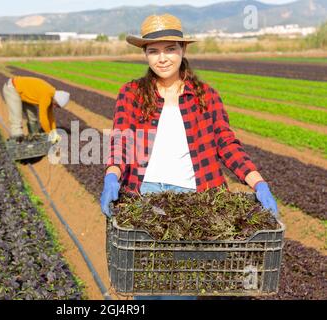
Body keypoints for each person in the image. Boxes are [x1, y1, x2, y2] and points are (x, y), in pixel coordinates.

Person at [100, 14, 279, 299]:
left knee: (180, 290)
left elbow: (226, 143)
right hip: (144, 198)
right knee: (144, 287)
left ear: (183, 50)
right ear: (145, 54)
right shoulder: (131, 93)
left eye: (170, 49)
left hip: (193, 202)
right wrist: (112, 176)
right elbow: (122, 141)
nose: (162, 58)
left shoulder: (206, 96)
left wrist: (258, 182)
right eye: (153, 51)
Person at [2, 76, 70, 144]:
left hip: (23, 93)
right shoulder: (47, 95)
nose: (55, 107)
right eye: (56, 105)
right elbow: (43, 118)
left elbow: (50, 117)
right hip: (12, 87)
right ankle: (17, 141)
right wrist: (50, 134)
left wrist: (54, 132)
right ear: (56, 100)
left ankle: (34, 137)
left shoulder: (51, 96)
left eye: (57, 107)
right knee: (16, 115)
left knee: (32, 114)